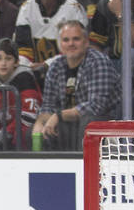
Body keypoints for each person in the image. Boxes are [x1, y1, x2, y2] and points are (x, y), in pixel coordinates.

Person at [33, 19, 121, 150]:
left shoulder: (98, 62)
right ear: (60, 45)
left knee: (88, 122)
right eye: (66, 40)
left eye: (76, 39)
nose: (71, 44)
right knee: (39, 130)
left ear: (86, 43)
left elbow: (97, 106)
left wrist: (58, 116)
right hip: (70, 124)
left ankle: (85, 168)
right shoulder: (56, 66)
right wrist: (40, 123)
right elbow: (48, 105)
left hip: (107, 122)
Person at [14, 0, 89, 70]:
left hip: (68, 68)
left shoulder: (74, 9)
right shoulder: (26, 8)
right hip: (32, 70)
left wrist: (47, 65)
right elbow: (23, 48)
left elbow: (76, 48)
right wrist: (28, 67)